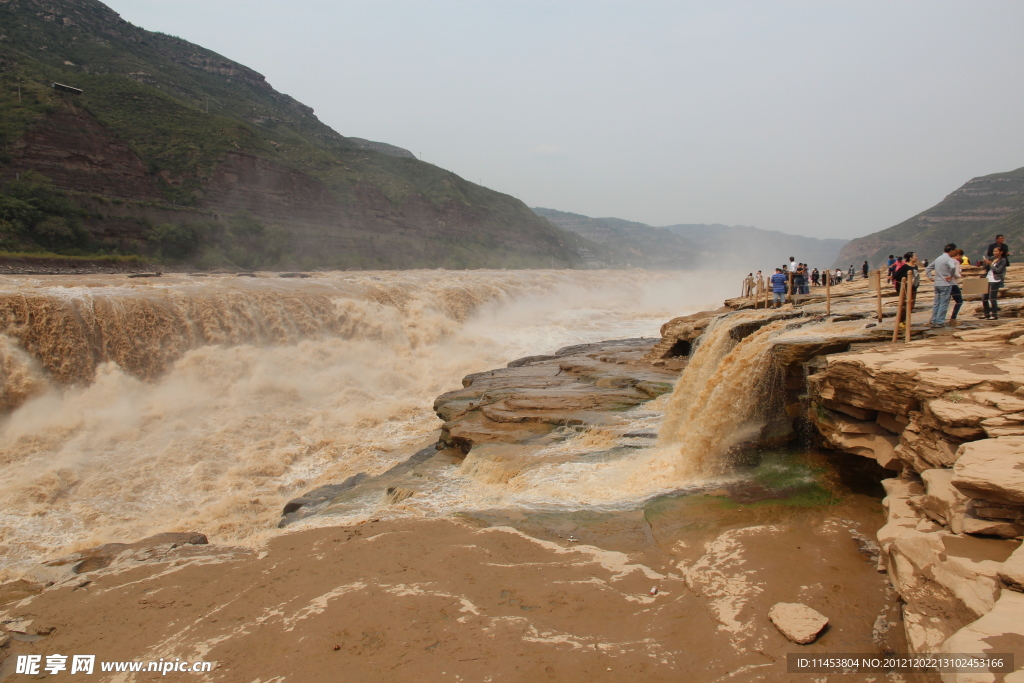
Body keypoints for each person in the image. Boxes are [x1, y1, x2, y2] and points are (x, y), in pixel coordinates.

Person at [925, 243, 958, 327]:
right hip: (945, 283)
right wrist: (950, 276)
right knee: (944, 303)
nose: (955, 252)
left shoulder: (938, 258)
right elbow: (953, 267)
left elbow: (928, 268)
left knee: (936, 303)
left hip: (937, 283)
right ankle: (940, 321)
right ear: (951, 250)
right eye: (954, 250)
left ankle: (934, 320)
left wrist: (930, 277)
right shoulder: (948, 259)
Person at [981, 246, 1008, 320]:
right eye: (994, 251)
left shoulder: (1003, 260)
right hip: (987, 279)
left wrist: (991, 265)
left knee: (992, 298)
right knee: (984, 298)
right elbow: (985, 268)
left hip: (995, 280)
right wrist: (985, 263)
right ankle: (986, 313)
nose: (994, 253)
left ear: (1001, 252)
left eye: (996, 251)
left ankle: (994, 314)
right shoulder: (992, 258)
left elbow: (998, 270)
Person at [892, 251, 919, 323]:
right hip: (906, 289)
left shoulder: (915, 266)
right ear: (911, 258)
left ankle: (906, 321)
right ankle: (901, 321)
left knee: (911, 305)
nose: (916, 257)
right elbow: (896, 276)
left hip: (914, 288)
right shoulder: (905, 267)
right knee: (904, 306)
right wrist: (906, 280)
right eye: (915, 256)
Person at [949, 249, 965, 326]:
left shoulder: (948, 261)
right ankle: (953, 318)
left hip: (945, 283)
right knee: (959, 301)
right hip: (953, 283)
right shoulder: (956, 262)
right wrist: (960, 275)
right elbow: (956, 274)